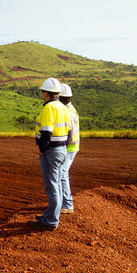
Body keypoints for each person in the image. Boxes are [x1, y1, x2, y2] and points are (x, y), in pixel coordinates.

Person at [31, 77, 71, 231]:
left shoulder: (49, 108)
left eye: (43, 91)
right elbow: (69, 132)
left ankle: (51, 220)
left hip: (51, 151)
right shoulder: (63, 108)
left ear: (46, 93)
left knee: (52, 185)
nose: (42, 94)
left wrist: (42, 149)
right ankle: (50, 215)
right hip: (62, 150)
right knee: (58, 184)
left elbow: (46, 133)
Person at [58, 83, 79, 214]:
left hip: (69, 148)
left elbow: (71, 135)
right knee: (62, 173)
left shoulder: (69, 112)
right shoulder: (69, 110)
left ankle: (67, 204)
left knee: (62, 174)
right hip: (70, 148)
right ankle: (63, 203)